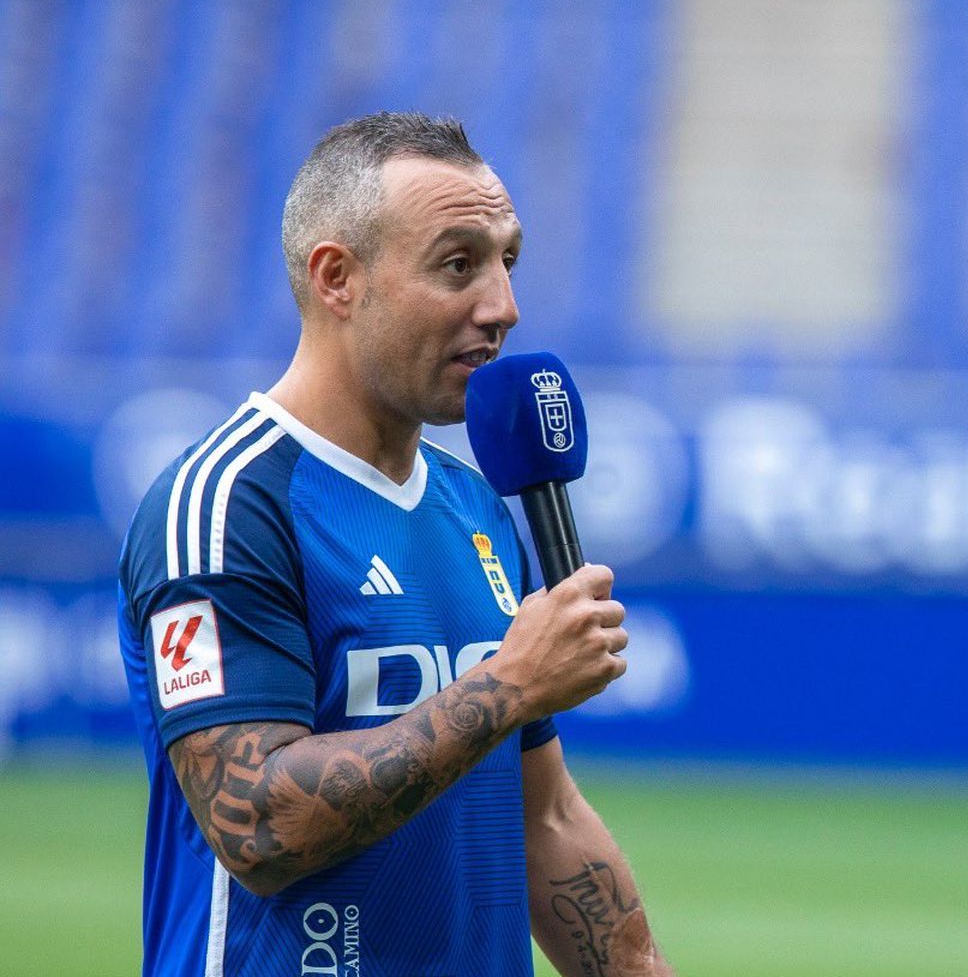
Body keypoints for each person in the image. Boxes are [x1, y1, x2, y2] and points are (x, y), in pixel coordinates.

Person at [117, 113, 674, 976]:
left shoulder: (479, 504)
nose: (504, 306)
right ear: (338, 277)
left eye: (507, 260)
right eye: (459, 264)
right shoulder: (228, 501)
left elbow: (545, 820)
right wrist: (509, 682)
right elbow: (255, 823)